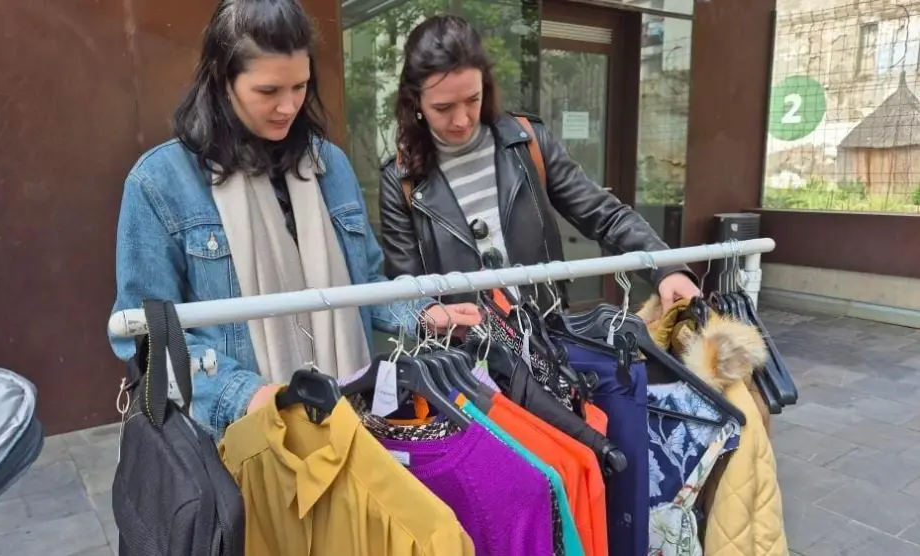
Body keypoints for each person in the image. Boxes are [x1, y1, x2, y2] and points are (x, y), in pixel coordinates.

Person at [109, 0, 480, 441]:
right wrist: (246, 396)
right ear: (221, 77)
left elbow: (363, 286)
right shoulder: (160, 183)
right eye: (268, 91)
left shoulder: (330, 167)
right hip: (238, 444)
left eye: (300, 86)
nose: (288, 106)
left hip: (349, 426)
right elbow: (145, 339)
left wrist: (422, 313)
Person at [379, 15, 700, 313]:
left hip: (547, 339)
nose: (461, 119)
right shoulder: (401, 180)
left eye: (472, 100)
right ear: (415, 101)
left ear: (485, 88)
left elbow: (604, 215)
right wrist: (428, 314)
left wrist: (666, 269)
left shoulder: (527, 141)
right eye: (444, 107)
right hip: (462, 361)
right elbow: (404, 291)